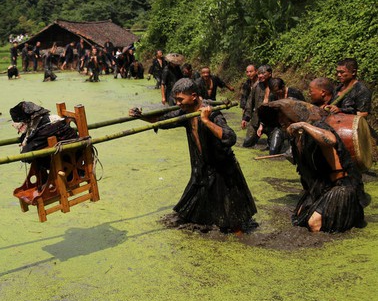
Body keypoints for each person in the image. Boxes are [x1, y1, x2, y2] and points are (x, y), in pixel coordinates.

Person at [129, 78, 257, 233]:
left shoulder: (212, 113)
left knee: (234, 222)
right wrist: (140, 116)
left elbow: (230, 137)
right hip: (202, 171)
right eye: (176, 100)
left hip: (223, 172)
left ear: (194, 96)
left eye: (180, 99)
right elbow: (163, 120)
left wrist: (205, 120)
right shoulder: (186, 113)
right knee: (189, 213)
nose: (178, 103)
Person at [258, 99, 366, 232]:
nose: (281, 120)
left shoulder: (318, 126)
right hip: (320, 188)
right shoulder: (295, 138)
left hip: (341, 187)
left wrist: (303, 125)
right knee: (299, 218)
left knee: (314, 224)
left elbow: (330, 140)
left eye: (283, 115)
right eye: (278, 117)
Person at [241, 65, 273, 147]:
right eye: (259, 74)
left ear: (270, 74)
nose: (260, 76)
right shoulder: (256, 85)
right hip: (256, 119)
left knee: (273, 148)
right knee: (247, 144)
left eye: (263, 73)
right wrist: (245, 118)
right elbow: (249, 102)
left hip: (271, 122)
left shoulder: (276, 85)